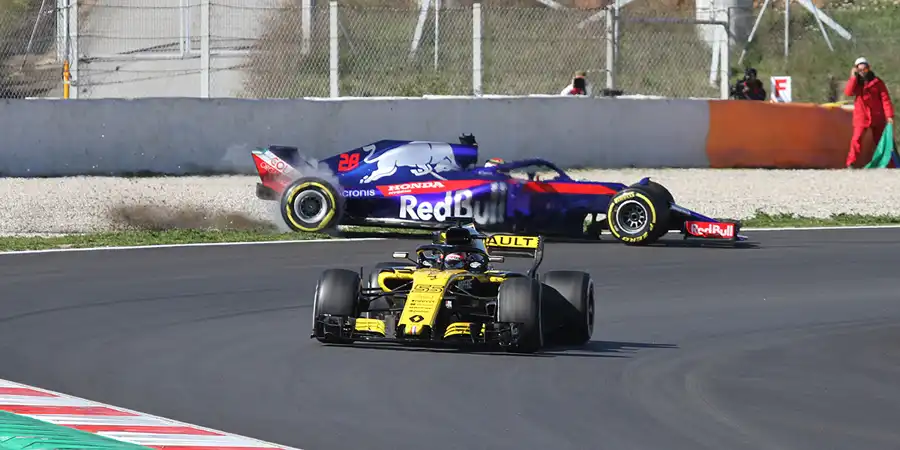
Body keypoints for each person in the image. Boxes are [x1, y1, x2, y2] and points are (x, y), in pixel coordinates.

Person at [844, 57, 894, 168]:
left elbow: (885, 99)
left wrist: (889, 115)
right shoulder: (856, 82)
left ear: (869, 68)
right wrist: (853, 77)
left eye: (864, 69)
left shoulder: (877, 82)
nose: (862, 72)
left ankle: (888, 164)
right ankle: (851, 162)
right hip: (861, 116)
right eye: (860, 70)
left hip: (877, 115)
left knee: (882, 141)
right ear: (856, 70)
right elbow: (848, 92)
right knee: (856, 139)